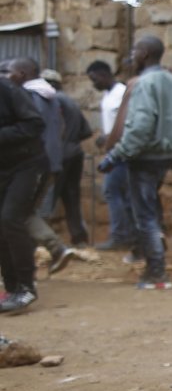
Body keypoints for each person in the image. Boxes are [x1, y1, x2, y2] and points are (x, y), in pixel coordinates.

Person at [98, 36, 172, 290]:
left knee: (145, 215)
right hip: (165, 155)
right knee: (149, 209)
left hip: (145, 156)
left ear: (146, 53)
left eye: (135, 50)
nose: (131, 55)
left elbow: (140, 127)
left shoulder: (143, 84)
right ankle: (154, 266)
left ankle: (156, 272)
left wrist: (115, 156)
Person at [4, 58, 80, 276]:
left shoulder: (28, 97)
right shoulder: (51, 97)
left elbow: (30, 129)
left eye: (9, 72)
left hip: (30, 163)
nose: (7, 77)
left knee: (15, 214)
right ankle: (49, 253)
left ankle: (44, 255)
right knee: (23, 213)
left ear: (21, 73)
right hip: (48, 161)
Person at [0, 76, 46, 313]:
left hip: (26, 164)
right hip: (3, 167)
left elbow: (34, 124)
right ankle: (12, 288)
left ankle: (27, 287)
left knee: (10, 219)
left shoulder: (7, 89)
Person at [40, 69, 92, 247]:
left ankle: (45, 242)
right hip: (75, 153)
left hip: (57, 155)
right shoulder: (70, 101)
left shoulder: (50, 101)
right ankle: (79, 239)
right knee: (72, 197)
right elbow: (87, 131)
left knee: (46, 198)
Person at [86, 60, 134, 252]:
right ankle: (128, 235)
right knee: (121, 193)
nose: (93, 84)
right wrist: (104, 138)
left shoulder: (122, 92)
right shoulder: (108, 96)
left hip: (121, 151)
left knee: (111, 190)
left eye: (94, 79)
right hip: (112, 149)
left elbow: (128, 122)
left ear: (105, 75)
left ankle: (120, 235)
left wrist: (110, 138)